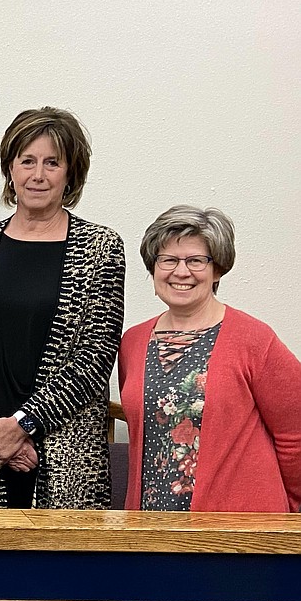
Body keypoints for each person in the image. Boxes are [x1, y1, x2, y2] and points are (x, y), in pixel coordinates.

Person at [0, 107, 125, 509]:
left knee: (62, 571)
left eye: (52, 163)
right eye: (27, 161)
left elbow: (94, 358)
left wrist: (23, 426)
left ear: (70, 173)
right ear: (10, 169)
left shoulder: (101, 248)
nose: (38, 175)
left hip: (66, 459)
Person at [119, 206, 301, 512]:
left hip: (239, 534)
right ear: (153, 267)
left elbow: (295, 436)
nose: (181, 271)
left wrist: (288, 518)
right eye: (168, 260)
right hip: (150, 529)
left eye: (195, 260)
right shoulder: (133, 342)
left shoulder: (254, 339)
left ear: (217, 269)